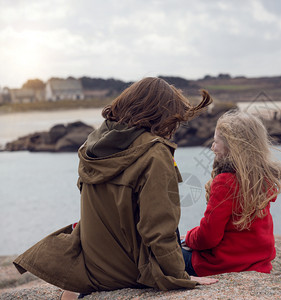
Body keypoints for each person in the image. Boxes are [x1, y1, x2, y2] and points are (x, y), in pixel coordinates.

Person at [13, 77, 218, 299]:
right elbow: (158, 228)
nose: (174, 129)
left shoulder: (94, 144)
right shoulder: (155, 153)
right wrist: (180, 277)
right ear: (161, 116)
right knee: (189, 249)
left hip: (92, 263)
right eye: (174, 120)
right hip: (126, 271)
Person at [181, 110, 281, 276]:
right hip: (257, 264)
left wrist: (188, 238)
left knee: (162, 252)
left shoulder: (226, 182)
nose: (213, 147)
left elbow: (208, 237)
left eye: (215, 142)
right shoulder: (263, 177)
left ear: (231, 145)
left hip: (221, 265)